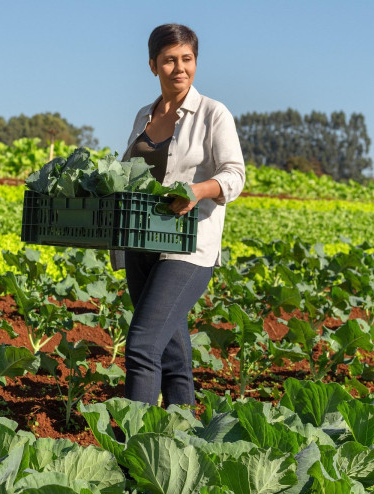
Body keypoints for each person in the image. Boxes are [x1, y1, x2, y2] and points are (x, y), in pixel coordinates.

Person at [111, 23, 245, 408]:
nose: (179, 68)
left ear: (196, 63)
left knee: (142, 345)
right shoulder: (144, 115)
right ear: (153, 65)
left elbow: (234, 176)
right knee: (171, 355)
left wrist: (197, 192)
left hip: (188, 246)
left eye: (187, 59)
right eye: (169, 60)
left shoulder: (213, 114)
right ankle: (182, 436)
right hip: (142, 242)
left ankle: (134, 446)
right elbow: (128, 173)